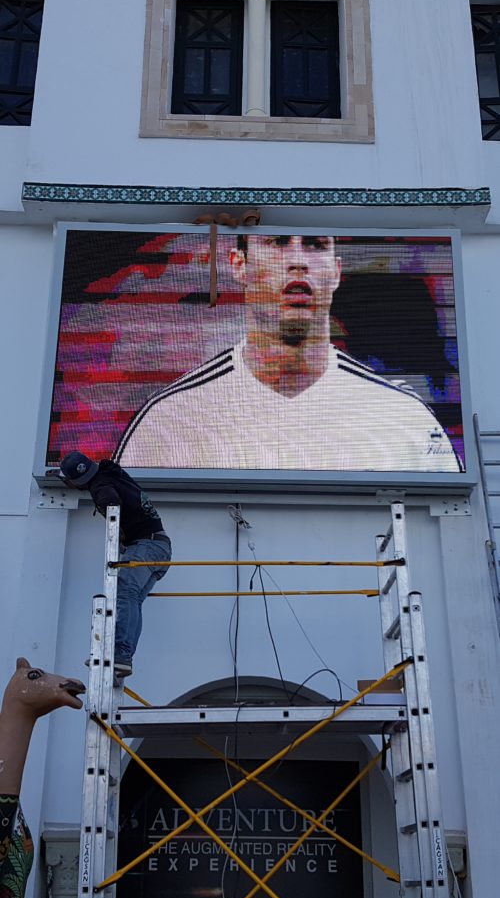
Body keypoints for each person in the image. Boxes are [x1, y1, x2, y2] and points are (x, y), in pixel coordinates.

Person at [115, 234, 461, 473]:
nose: (298, 261)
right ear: (239, 265)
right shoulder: (170, 418)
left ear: (336, 271)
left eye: (315, 245)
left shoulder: (404, 417)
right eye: (278, 242)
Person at [58, 452, 171, 677]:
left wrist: (112, 523)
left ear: (77, 480)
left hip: (145, 546)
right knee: (132, 599)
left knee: (125, 593)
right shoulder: (111, 473)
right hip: (159, 547)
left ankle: (120, 653)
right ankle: (123, 655)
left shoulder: (100, 485)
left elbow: (111, 501)